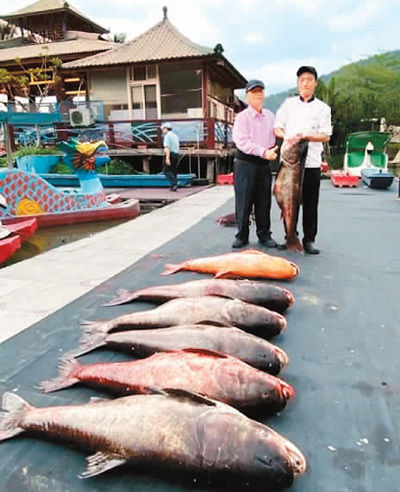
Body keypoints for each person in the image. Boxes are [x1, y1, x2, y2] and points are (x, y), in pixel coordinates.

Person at [274, 66, 332, 254]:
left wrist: (306, 136)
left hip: (311, 162)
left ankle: (309, 240)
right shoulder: (288, 104)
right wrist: (288, 137)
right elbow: (277, 128)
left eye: (309, 79)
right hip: (288, 162)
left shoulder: (323, 108)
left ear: (315, 82)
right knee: (287, 199)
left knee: (309, 202)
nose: (305, 83)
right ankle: (290, 236)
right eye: (302, 80)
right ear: (298, 83)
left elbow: (326, 135)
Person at [231, 79, 279, 249]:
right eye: (254, 92)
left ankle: (264, 235)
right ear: (247, 96)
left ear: (264, 94)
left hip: (264, 163)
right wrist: (264, 151)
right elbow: (242, 142)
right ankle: (242, 235)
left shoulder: (270, 116)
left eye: (260, 91)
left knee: (264, 201)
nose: (258, 94)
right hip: (245, 162)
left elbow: (275, 136)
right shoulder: (242, 118)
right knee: (244, 200)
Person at [162, 123, 180, 191]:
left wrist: (167, 158)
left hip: (170, 154)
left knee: (166, 170)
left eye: (163, 129)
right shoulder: (175, 136)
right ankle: (173, 186)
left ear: (166, 128)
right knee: (173, 170)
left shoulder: (167, 136)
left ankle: (174, 183)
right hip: (176, 154)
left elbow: (167, 147)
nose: (163, 131)